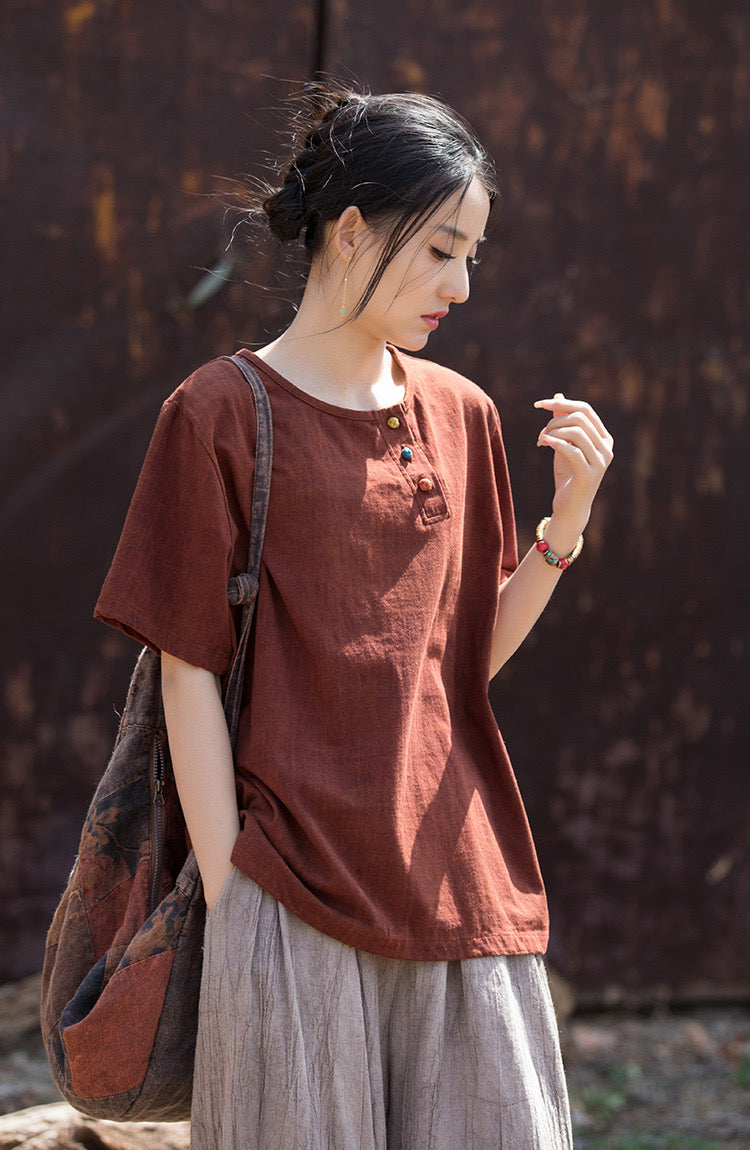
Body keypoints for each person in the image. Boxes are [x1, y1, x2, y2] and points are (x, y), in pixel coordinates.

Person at [95, 88, 613, 1149]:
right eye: (440, 251)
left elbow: (463, 663)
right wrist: (234, 886)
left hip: (460, 885)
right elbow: (188, 666)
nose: (461, 286)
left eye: (471, 256)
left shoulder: (463, 414)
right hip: (291, 898)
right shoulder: (218, 411)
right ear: (351, 232)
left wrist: (565, 526)